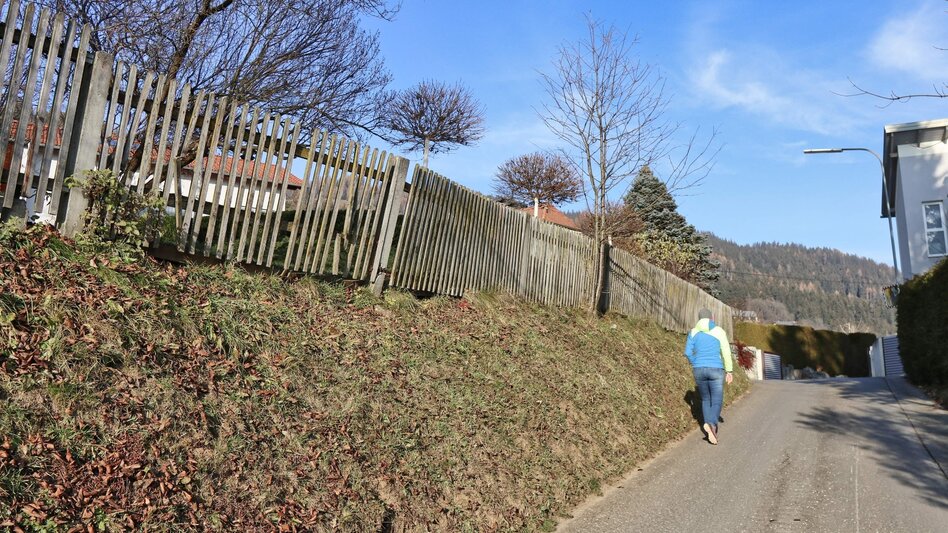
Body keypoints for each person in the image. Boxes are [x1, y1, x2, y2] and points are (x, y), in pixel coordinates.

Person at [684, 308, 733, 445]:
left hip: (699, 370)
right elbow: (726, 352)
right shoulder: (719, 331)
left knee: (706, 399)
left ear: (699, 319)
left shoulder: (693, 332)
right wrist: (729, 371)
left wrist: (696, 362)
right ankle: (711, 423)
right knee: (716, 399)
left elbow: (687, 352)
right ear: (711, 318)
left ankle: (710, 430)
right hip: (716, 369)